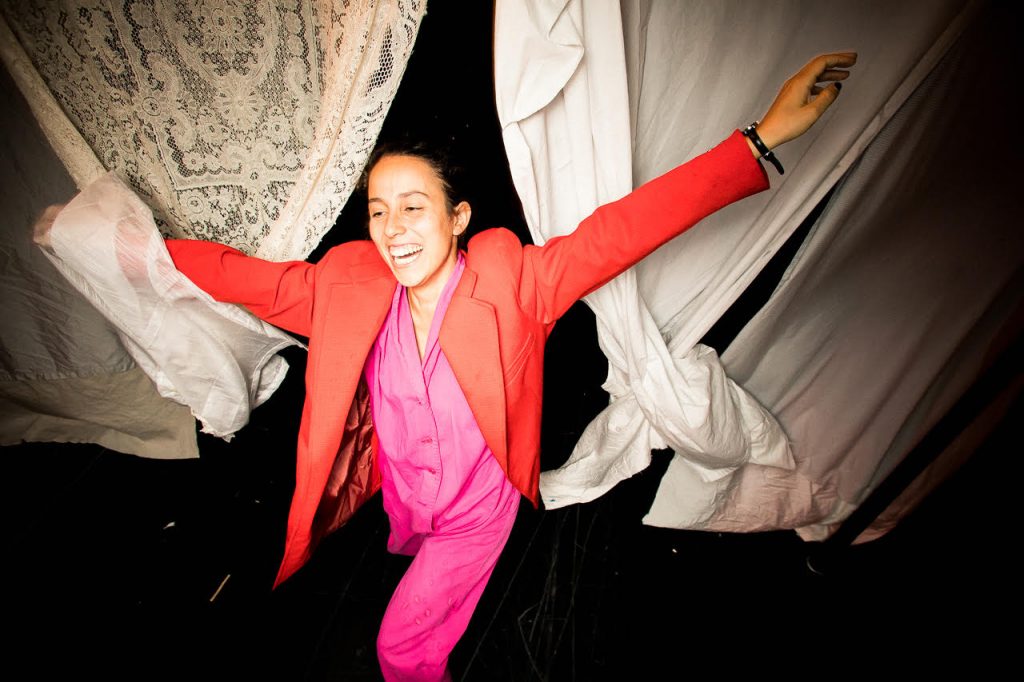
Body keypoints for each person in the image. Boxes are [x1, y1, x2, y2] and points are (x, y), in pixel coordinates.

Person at [36, 51, 856, 681]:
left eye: (414, 207)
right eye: (379, 211)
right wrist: (99, 239)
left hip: (479, 512)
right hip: (406, 494)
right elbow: (226, 271)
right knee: (399, 535)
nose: (393, 228)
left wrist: (761, 137)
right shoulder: (347, 287)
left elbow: (622, 229)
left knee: (399, 645)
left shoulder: (516, 283)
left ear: (458, 217)